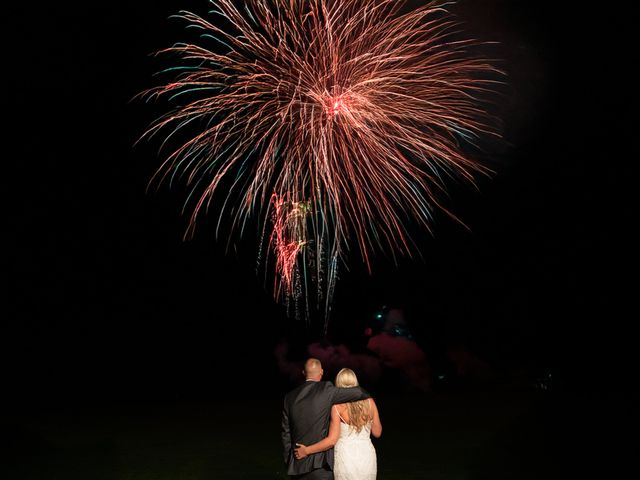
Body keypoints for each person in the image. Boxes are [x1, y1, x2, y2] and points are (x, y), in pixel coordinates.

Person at [282, 358, 371, 479]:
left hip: (297, 464)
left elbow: (286, 433)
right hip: (321, 465)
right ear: (321, 372)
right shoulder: (326, 390)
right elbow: (359, 392)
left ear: (303, 373)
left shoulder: (289, 397)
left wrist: (290, 461)